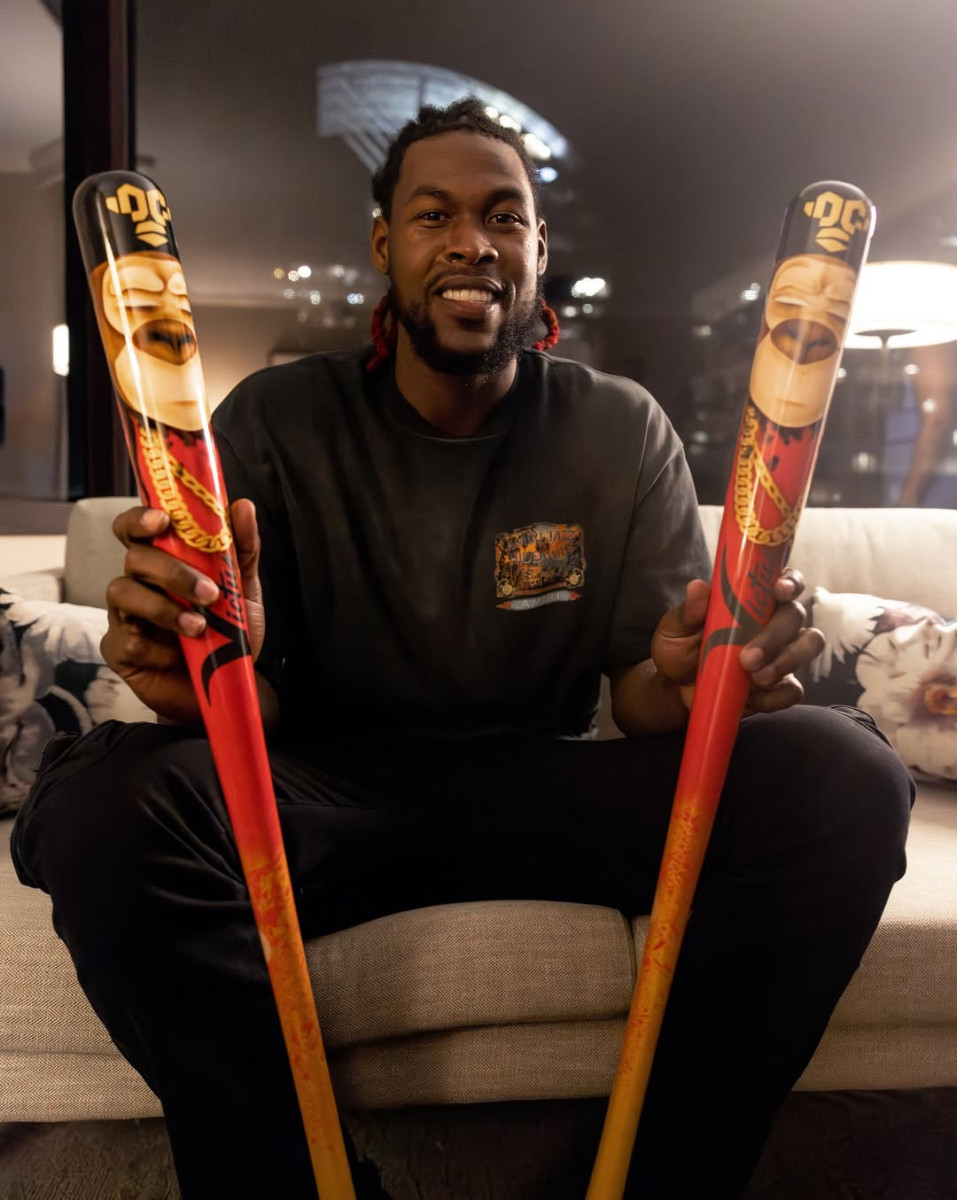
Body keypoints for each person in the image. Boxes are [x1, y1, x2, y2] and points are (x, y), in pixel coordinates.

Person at [12, 98, 913, 1199]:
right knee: (100, 803)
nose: (472, 242)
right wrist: (204, 675)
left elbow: (638, 696)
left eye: (504, 216)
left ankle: (664, 1178)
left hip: (545, 784)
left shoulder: (617, 425)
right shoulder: (275, 419)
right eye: (433, 214)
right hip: (321, 795)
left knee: (842, 771)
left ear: (539, 246)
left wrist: (685, 680)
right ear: (384, 244)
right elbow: (256, 710)